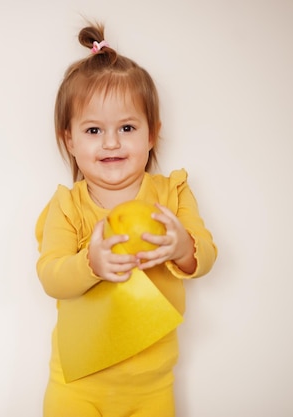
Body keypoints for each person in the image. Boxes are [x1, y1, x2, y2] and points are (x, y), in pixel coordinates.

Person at [35, 22, 218, 416]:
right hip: (77, 385)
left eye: (128, 127)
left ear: (152, 134)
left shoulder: (172, 194)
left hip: (150, 387)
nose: (112, 142)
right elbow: (51, 275)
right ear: (70, 140)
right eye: (94, 129)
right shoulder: (67, 206)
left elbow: (206, 255)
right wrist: (91, 264)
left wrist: (183, 247)